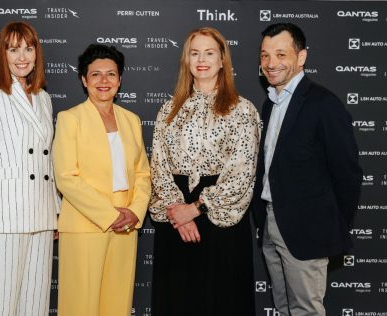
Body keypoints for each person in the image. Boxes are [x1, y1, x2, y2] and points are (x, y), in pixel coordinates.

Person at [252, 23, 363, 316]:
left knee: (305, 311)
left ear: (301, 57)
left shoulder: (324, 104)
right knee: (283, 307)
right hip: (271, 223)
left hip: (307, 229)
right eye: (265, 55)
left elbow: (347, 175)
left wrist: (327, 225)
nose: (271, 63)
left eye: (280, 54)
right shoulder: (269, 105)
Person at [149, 27, 261, 316]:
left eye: (209, 52)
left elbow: (242, 173)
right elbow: (159, 166)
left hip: (221, 224)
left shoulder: (242, 110)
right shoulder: (168, 110)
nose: (202, 59)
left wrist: (197, 208)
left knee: (220, 301)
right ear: (186, 60)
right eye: (194, 53)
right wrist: (178, 210)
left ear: (223, 60)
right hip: (174, 224)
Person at [0, 21, 60, 316]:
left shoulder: (43, 98)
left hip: (40, 217)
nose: (22, 57)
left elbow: (47, 159)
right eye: (14, 49)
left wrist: (54, 210)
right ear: (2, 54)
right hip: (2, 218)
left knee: (34, 305)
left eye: (29, 49)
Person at [52, 44, 151, 316]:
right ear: (84, 80)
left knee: (117, 305)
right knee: (80, 306)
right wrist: (109, 214)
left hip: (126, 228)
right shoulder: (70, 119)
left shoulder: (131, 120)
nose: (103, 81)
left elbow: (142, 173)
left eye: (110, 74)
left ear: (120, 80)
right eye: (95, 75)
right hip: (86, 226)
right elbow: (66, 178)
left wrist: (134, 212)